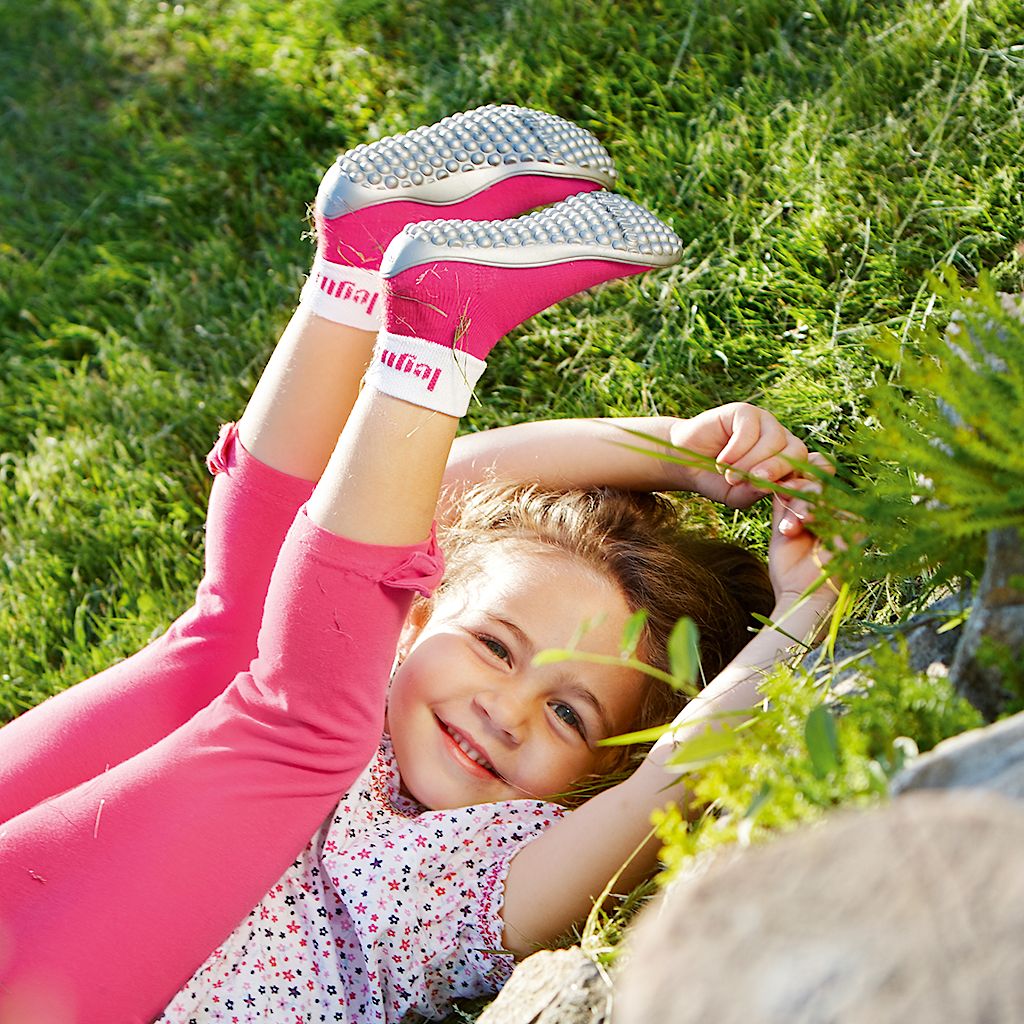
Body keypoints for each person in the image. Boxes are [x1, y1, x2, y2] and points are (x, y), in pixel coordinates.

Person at [0, 105, 836, 1024]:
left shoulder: (483, 877)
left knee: (262, 677)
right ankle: (395, 301)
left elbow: (665, 783)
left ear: (593, 766)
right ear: (415, 612)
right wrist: (671, 451)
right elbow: (422, 486)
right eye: (494, 646)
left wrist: (805, 610)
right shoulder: (355, 670)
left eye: (569, 713)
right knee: (273, 673)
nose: (507, 710)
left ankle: (383, 295)